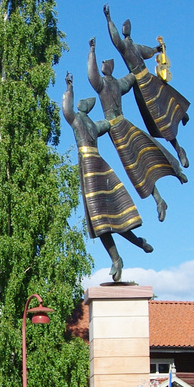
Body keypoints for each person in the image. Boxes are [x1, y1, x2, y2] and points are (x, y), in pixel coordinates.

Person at [62, 72, 152, 283]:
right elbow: (112, 121)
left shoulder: (80, 122)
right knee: (104, 220)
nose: (80, 103)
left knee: (102, 220)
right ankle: (127, 251)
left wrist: (69, 89)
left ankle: (126, 252)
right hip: (97, 166)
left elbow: (67, 108)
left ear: (84, 107)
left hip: (91, 169)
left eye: (82, 102)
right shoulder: (93, 124)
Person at [86, 40, 185, 221]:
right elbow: (92, 75)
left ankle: (176, 169)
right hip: (116, 130)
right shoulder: (103, 85)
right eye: (101, 65)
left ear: (110, 67)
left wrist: (151, 54)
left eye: (104, 64)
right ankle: (159, 200)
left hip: (122, 125)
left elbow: (134, 73)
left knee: (149, 148)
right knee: (136, 169)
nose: (102, 67)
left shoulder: (118, 84)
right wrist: (92, 52)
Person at [105, 5, 190, 168]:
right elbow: (115, 40)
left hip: (149, 79)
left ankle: (182, 115)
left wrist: (159, 49)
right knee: (160, 120)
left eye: (126, 27)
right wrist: (109, 20)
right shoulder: (124, 46)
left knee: (168, 96)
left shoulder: (135, 46)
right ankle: (179, 150)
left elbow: (150, 51)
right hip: (141, 86)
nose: (125, 30)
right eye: (123, 28)